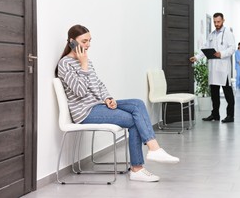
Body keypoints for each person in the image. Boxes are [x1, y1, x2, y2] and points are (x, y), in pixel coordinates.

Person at [55, 24, 179, 182]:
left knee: (137, 104)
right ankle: (138, 167)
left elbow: (98, 85)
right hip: (85, 112)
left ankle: (153, 150)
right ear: (72, 42)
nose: (88, 45)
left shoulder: (87, 61)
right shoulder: (65, 64)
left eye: (89, 41)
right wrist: (83, 65)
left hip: (98, 105)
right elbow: (80, 91)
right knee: (135, 120)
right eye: (84, 41)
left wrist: (108, 98)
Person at [190, 13, 235, 123]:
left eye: (218, 22)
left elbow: (232, 48)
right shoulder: (211, 34)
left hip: (223, 68)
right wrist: (196, 57)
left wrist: (222, 53)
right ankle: (215, 114)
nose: (216, 24)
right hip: (213, 68)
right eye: (215, 22)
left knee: (228, 93)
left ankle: (230, 116)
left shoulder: (228, 33)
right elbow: (205, 48)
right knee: (214, 93)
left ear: (223, 20)